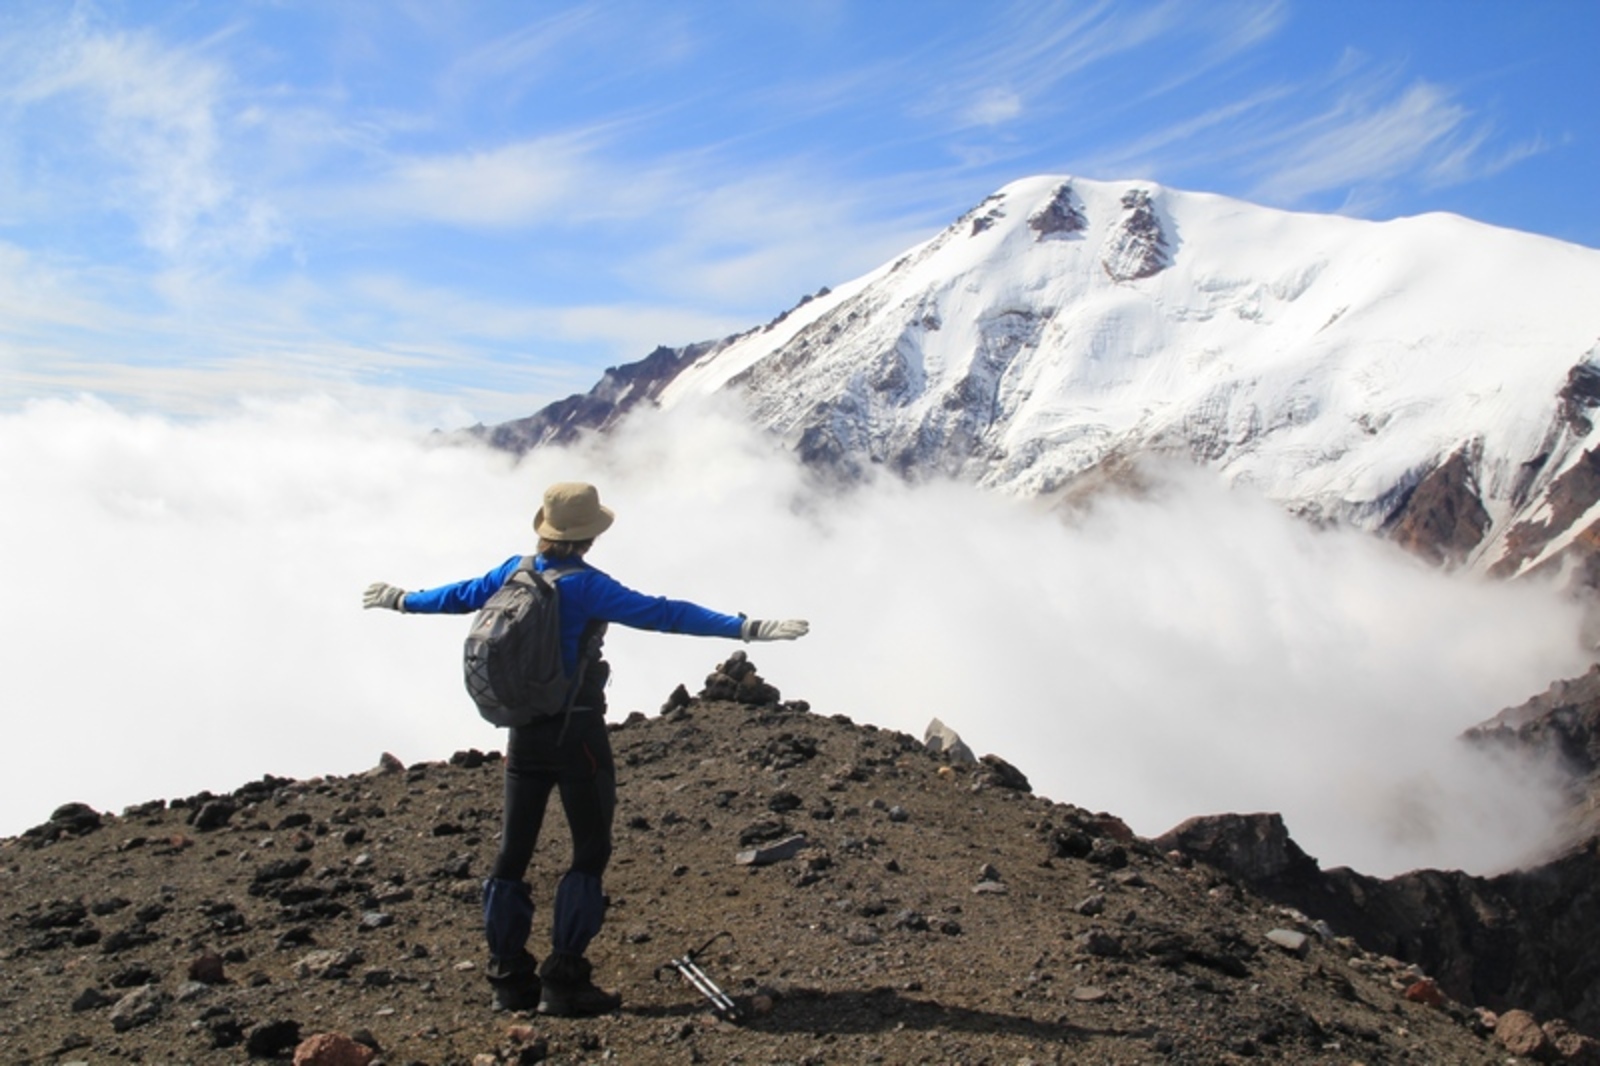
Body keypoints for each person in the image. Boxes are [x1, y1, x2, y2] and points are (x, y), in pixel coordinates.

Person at [362, 481, 808, 1016]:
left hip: (523, 734)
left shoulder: (513, 572)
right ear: (589, 539)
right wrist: (746, 627)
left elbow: (458, 595)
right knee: (589, 852)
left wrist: (402, 600)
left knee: (512, 854)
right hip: (578, 736)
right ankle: (565, 981)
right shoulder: (589, 588)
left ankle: (509, 978)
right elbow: (664, 613)